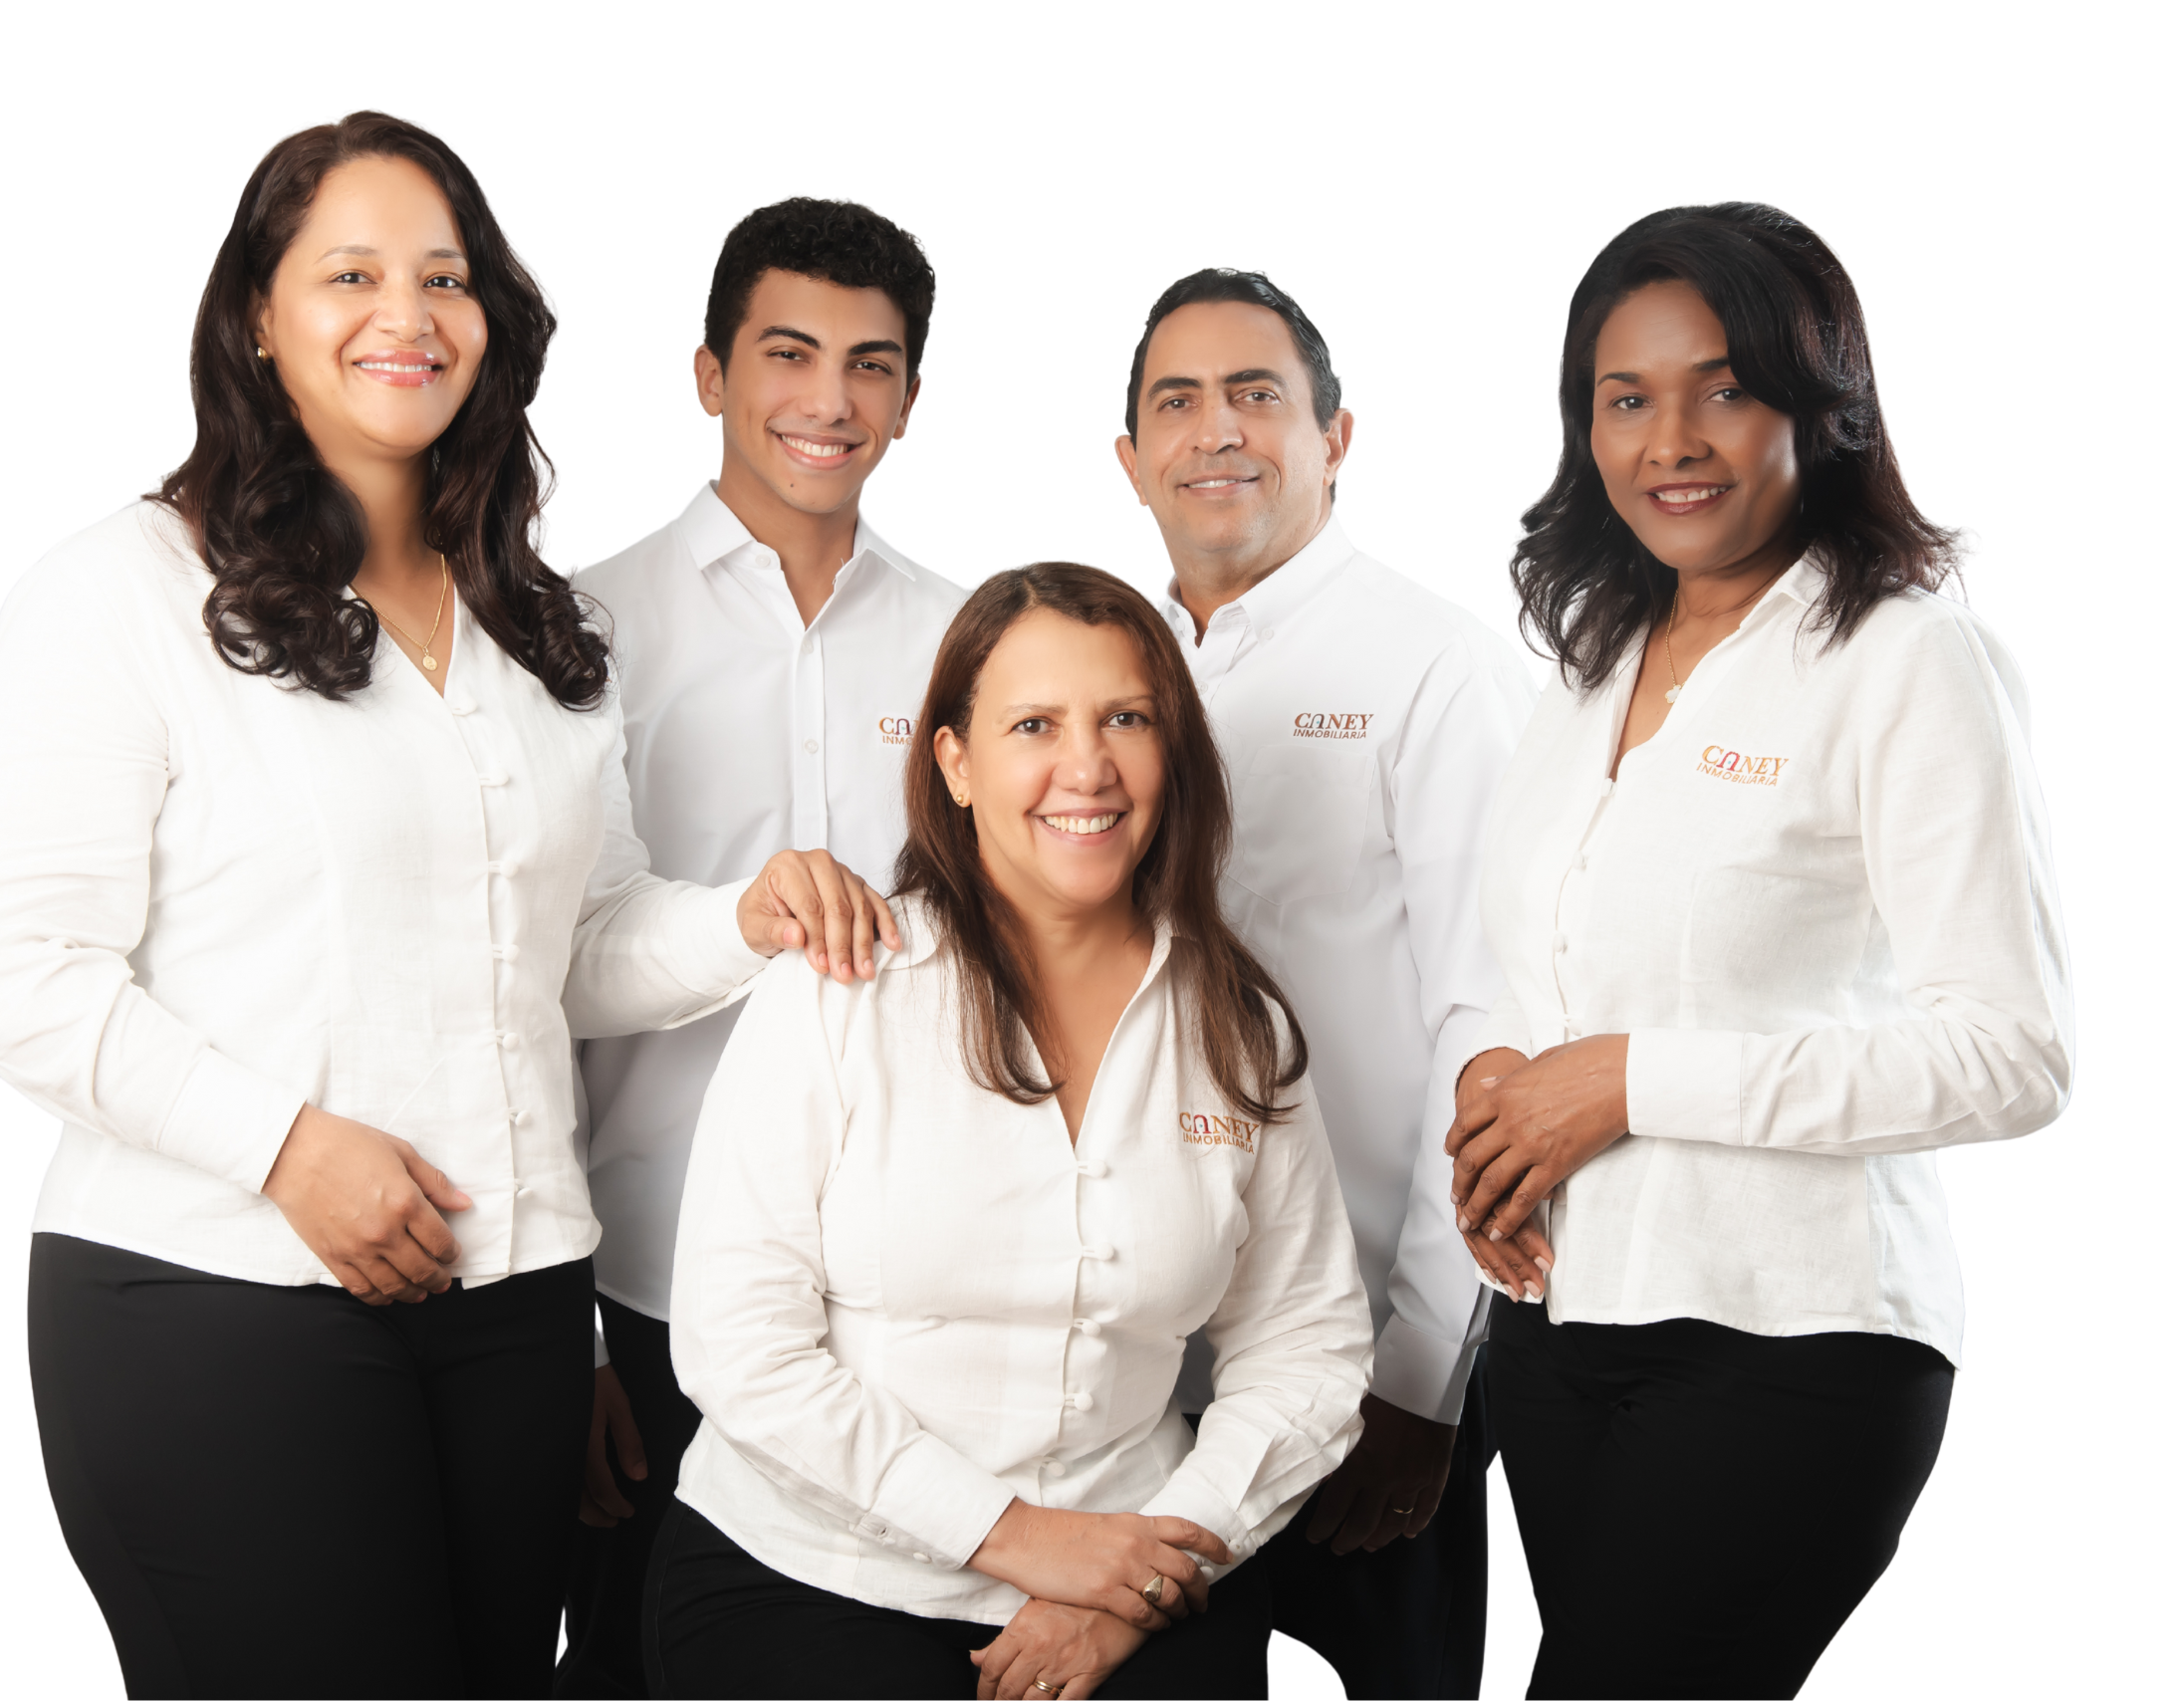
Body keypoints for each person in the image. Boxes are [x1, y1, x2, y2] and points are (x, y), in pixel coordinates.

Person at [0, 111, 894, 1701]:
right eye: (350, 273)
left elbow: (574, 948)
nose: (408, 315)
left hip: (515, 1306)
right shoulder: (120, 590)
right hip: (217, 1299)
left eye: (445, 277)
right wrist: (286, 1150)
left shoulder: (539, 621)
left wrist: (749, 918)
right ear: (257, 316)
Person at [1448, 200, 2072, 1698]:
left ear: (1821, 404)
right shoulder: (1587, 663)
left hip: (1792, 1340)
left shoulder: (1912, 661)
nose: (1671, 441)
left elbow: (2014, 1056)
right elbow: (1524, 960)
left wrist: (1624, 1083)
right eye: (1626, 398)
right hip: (1560, 1328)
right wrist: (1495, 1091)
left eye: (1722, 388)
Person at [651, 562, 1375, 1700]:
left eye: (1126, 719)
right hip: (816, 1569)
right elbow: (740, 1346)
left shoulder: (1239, 1027)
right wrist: (1022, 1539)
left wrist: (1140, 1575)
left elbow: (1307, 1345)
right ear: (955, 762)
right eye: (1034, 724)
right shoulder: (840, 991)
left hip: (1132, 1559)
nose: (1086, 768)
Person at [554, 193, 964, 1698]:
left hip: (902, 1295)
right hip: (647, 1286)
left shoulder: (968, 641)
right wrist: (571, 1340)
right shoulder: (577, 627)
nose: (829, 401)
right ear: (709, 375)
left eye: (870, 366)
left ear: (910, 402)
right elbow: (532, 986)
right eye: (789, 354)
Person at [1110, 267, 1538, 1697]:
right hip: (1127, 1363)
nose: (1217, 430)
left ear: (1335, 438)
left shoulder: (1442, 669)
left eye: (1257, 394)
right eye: (1178, 402)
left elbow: (1497, 1025)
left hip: (1359, 1360)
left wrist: (1423, 1376)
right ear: (1131, 459)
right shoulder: (1102, 671)